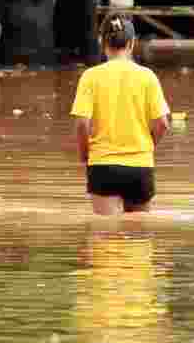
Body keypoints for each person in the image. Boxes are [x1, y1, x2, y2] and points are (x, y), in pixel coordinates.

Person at [70, 16, 171, 215]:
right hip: (140, 167)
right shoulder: (147, 76)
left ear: (102, 41)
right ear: (132, 43)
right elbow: (163, 124)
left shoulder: (90, 77)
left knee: (104, 236)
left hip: (103, 166)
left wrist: (84, 155)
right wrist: (147, 147)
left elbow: (82, 124)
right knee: (140, 236)